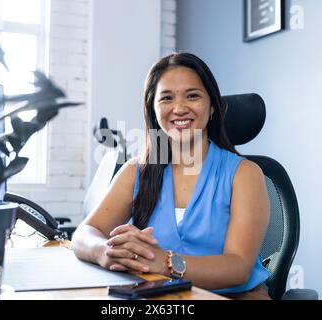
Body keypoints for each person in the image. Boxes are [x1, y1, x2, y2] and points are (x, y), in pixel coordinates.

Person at [72, 53, 271, 300]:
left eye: (193, 96)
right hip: (162, 298)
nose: (179, 108)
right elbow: (84, 233)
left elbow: (238, 267)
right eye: (166, 98)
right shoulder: (137, 171)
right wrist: (105, 251)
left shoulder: (244, 174)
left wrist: (164, 262)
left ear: (211, 108)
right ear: (153, 110)